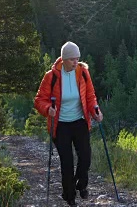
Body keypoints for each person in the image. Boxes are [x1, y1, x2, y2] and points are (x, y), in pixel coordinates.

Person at [34, 41, 103, 206]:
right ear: (64, 59)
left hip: (79, 121)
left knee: (85, 158)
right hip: (61, 124)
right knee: (67, 162)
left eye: (77, 59)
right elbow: (39, 100)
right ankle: (69, 196)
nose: (76, 62)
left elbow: (90, 96)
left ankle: (81, 184)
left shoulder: (83, 73)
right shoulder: (51, 76)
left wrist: (96, 112)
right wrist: (47, 109)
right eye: (72, 59)